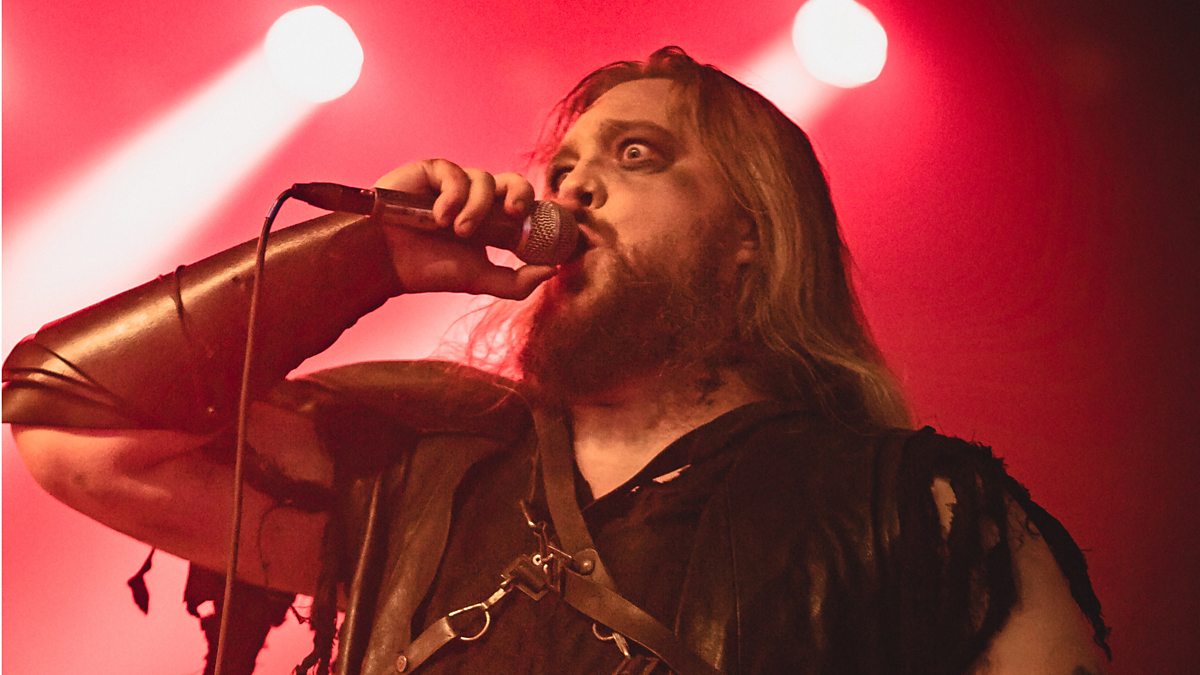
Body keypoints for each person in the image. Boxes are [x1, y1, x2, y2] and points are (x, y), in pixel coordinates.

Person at [3, 47, 1109, 674]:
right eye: (564, 165)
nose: (570, 187)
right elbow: (70, 427)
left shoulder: (923, 515)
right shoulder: (414, 479)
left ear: (752, 236)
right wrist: (361, 254)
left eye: (637, 156)